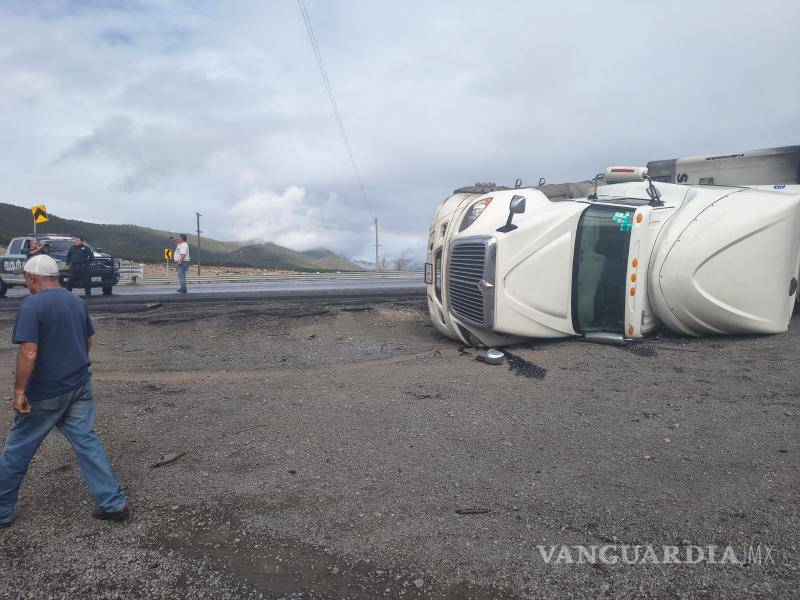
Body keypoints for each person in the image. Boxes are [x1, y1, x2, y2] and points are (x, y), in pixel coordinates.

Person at [0, 255, 128, 528]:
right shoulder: (76, 301)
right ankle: (113, 503)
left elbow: (29, 351)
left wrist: (20, 390)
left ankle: (1, 511)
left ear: (32, 278)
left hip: (46, 392)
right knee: (87, 443)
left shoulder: (33, 305)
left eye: (26, 278)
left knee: (17, 450)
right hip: (79, 385)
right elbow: (88, 342)